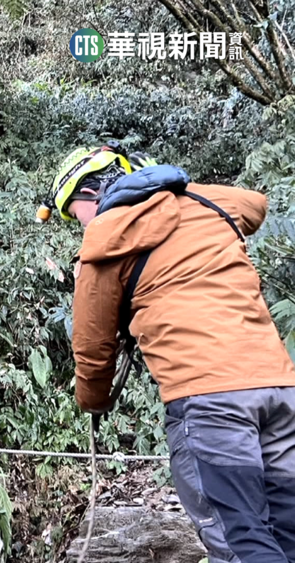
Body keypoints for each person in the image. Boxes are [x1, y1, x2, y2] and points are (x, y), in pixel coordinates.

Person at [49, 143, 295, 563]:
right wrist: (172, 189)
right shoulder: (204, 203)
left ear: (90, 197)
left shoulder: (103, 243)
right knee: (287, 530)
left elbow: (92, 348)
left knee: (241, 542)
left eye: (75, 214)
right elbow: (254, 206)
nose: (81, 224)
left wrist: (94, 401)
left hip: (208, 403)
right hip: (279, 389)